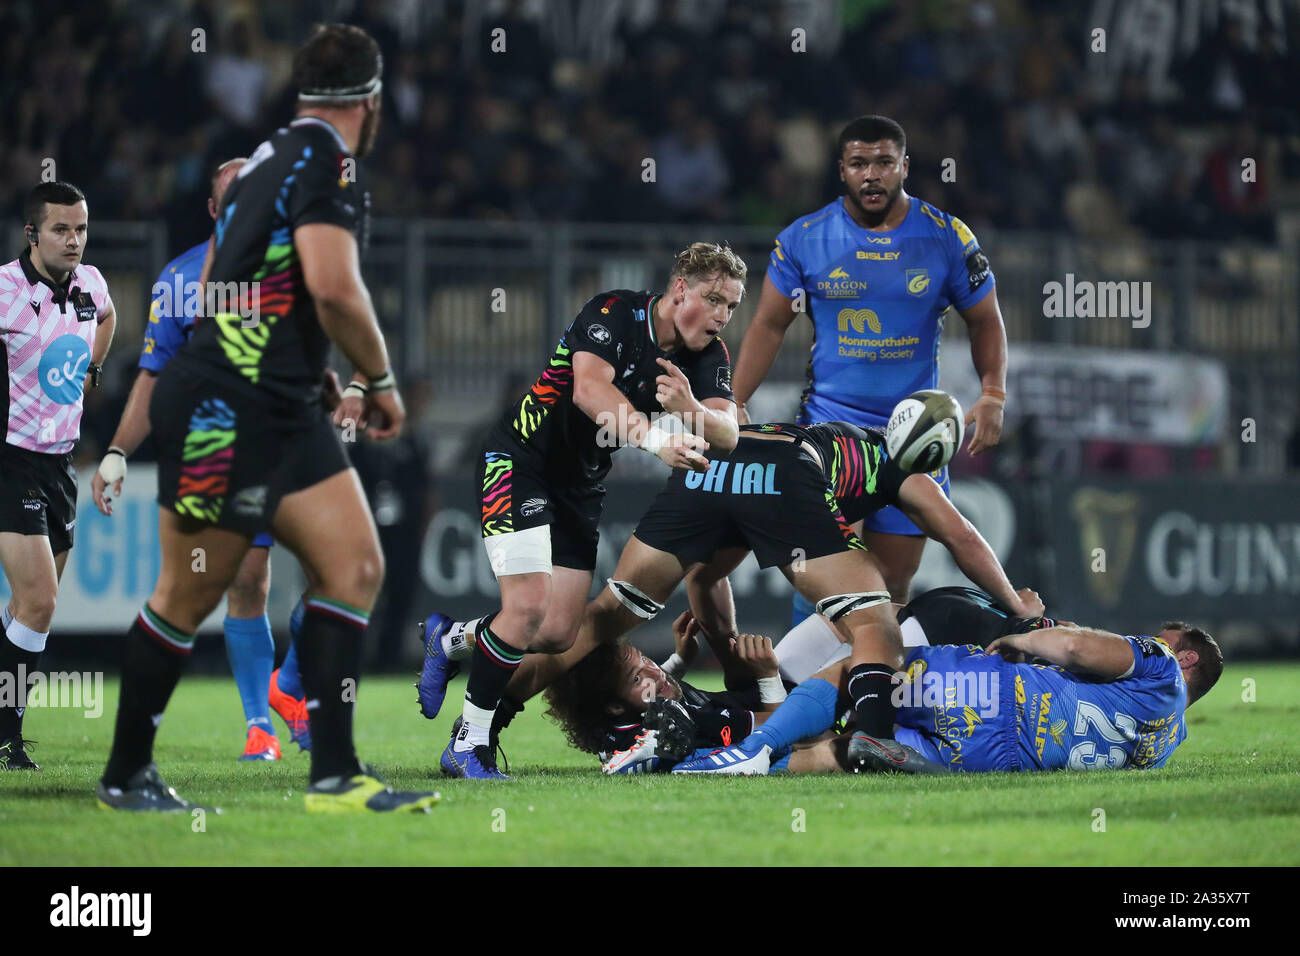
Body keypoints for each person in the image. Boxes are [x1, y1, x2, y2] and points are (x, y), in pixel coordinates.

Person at [97, 23, 439, 812]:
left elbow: (226, 276)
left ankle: (335, 775)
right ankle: (125, 773)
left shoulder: (263, 162)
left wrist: (297, 365)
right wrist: (378, 380)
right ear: (373, 100)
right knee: (190, 593)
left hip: (277, 398)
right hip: (227, 407)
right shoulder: (330, 161)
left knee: (354, 566)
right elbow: (331, 286)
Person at [430, 412, 1043, 777]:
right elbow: (960, 535)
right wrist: (1016, 603)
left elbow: (704, 577)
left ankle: (485, 721)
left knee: (603, 617)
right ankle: (873, 733)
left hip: (715, 465)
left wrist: (727, 651)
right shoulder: (899, 466)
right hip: (787, 473)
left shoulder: (833, 434)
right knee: (875, 618)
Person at [421, 242, 745, 780]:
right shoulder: (613, 313)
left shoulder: (709, 358)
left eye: (731, 306)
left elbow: (728, 434)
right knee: (526, 606)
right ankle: (469, 744)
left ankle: (451, 638)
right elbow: (589, 392)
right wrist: (652, 439)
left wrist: (690, 409)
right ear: (680, 288)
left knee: (556, 633)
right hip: (524, 459)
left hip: (580, 485)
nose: (721, 316)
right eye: (713, 299)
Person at [728, 115, 1010, 620]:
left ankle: (872, 690)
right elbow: (770, 325)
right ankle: (805, 688)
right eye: (860, 163)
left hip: (912, 438)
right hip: (829, 431)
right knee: (826, 573)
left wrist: (993, 394)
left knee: (893, 583)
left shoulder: (948, 238)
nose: (872, 174)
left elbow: (985, 319)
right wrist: (734, 402)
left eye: (884, 162)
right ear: (842, 170)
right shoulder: (804, 239)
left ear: (905, 166)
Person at [90, 158, 312, 761]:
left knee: (346, 567)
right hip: (213, 448)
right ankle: (258, 725)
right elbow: (153, 375)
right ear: (214, 209)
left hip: (286, 439)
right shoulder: (181, 280)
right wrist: (115, 451)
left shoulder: (296, 266)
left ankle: (288, 688)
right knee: (231, 585)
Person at [674, 594, 1223, 776]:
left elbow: (1078, 645)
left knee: (861, 665)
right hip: (992, 758)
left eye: (1161, 636)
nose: (1149, 639)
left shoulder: (1160, 664)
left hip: (992, 697)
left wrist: (1025, 637)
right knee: (843, 752)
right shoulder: (1163, 746)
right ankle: (717, 762)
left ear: (1186, 655)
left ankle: (746, 752)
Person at [0, 181, 117, 770]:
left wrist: (93, 368)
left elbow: (111, 315)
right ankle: (5, 738)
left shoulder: (92, 285)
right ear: (32, 235)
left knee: (28, 608)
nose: (74, 241)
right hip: (10, 458)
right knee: (40, 601)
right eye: (61, 230)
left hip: (59, 464)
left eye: (81, 229)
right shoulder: (4, 290)